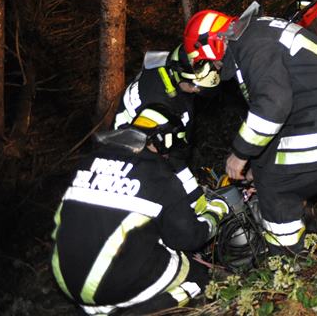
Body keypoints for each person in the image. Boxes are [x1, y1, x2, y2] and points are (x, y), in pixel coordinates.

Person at [183, 5, 317, 255]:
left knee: (277, 186)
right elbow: (277, 119)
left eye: (208, 61)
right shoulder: (255, 35)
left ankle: (290, 258)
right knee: (269, 171)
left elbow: (272, 107)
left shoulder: (253, 47)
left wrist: (240, 153)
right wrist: (257, 163)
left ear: (212, 45)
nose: (215, 67)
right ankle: (309, 232)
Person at [51, 105, 228, 315]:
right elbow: (188, 238)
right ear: (165, 140)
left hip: (64, 276)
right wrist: (216, 212)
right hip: (109, 283)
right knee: (198, 276)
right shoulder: (157, 174)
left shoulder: (87, 162)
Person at [113, 44, 220, 209]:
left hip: (136, 139)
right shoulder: (163, 107)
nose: (197, 91)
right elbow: (174, 159)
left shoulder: (162, 64)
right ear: (182, 76)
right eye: (196, 86)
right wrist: (197, 199)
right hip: (134, 158)